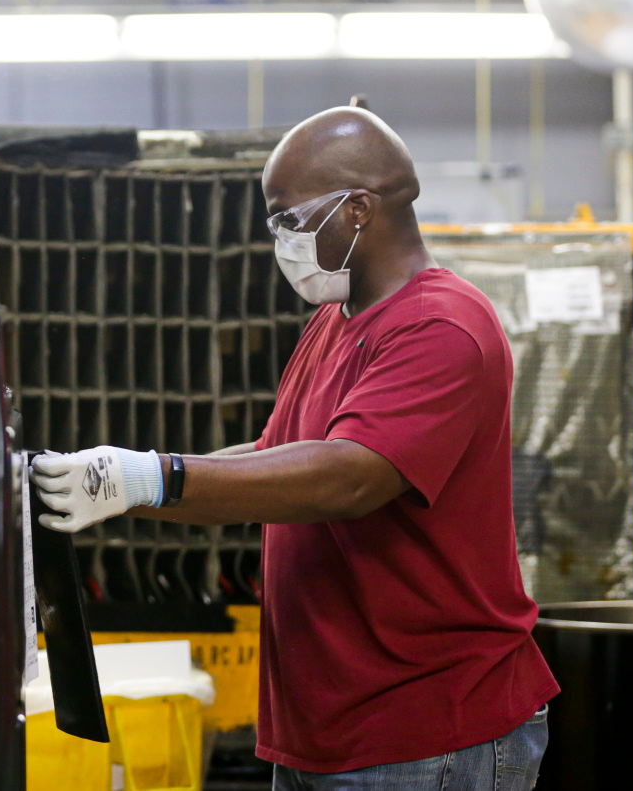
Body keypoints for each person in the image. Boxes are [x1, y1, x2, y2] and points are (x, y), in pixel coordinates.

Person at [31, 107, 557, 791]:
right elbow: (274, 457)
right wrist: (120, 485)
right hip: (325, 730)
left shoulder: (444, 327)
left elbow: (347, 478)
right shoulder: (333, 324)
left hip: (425, 733)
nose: (280, 239)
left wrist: (153, 478)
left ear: (359, 209)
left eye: (289, 218)